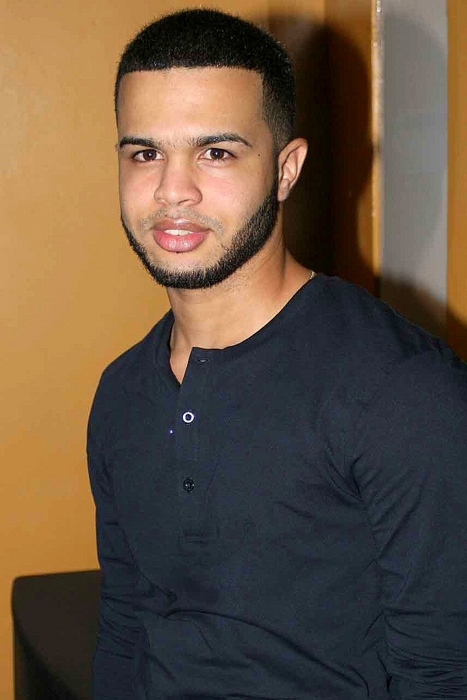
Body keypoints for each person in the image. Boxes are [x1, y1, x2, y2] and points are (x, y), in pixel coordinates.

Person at [87, 8, 467, 700]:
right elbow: (125, 629)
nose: (173, 190)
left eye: (216, 152)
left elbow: (443, 674)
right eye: (144, 153)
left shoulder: (402, 391)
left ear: (287, 170)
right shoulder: (121, 393)